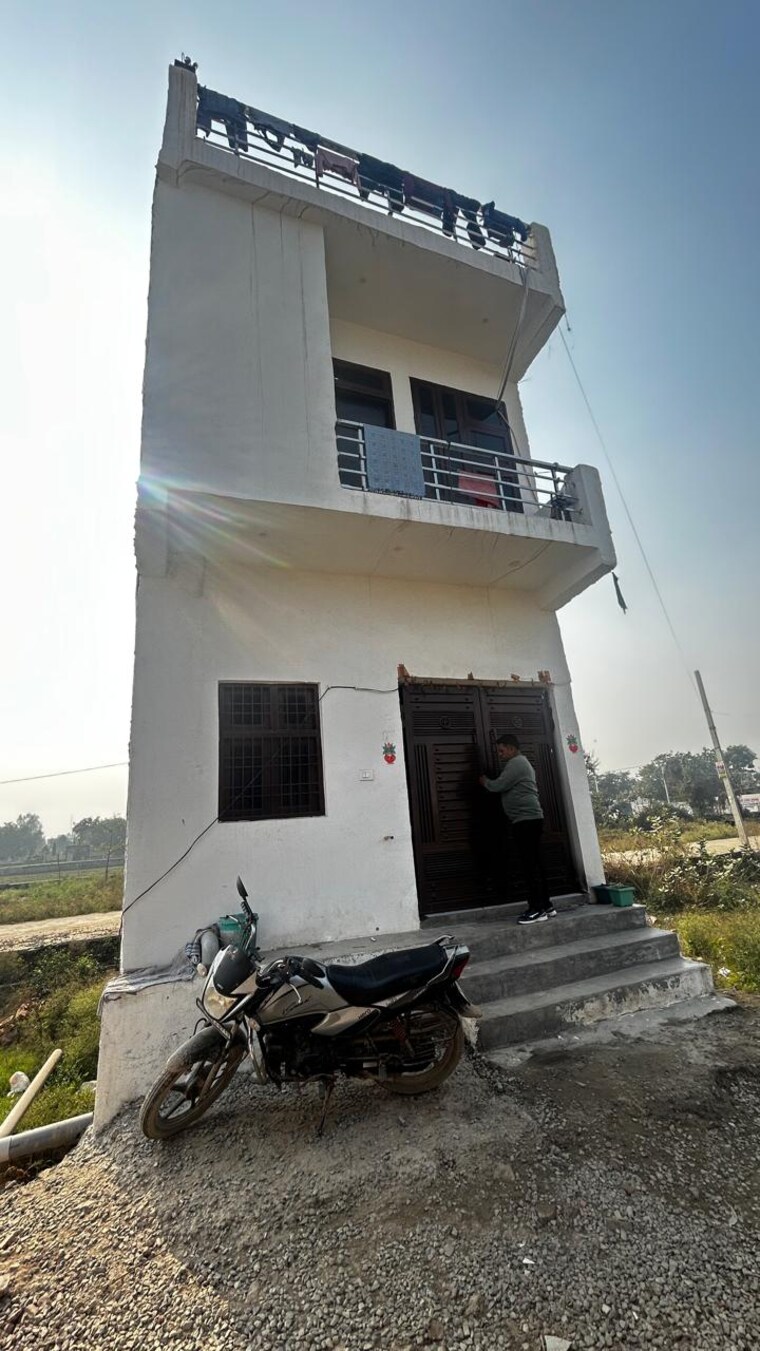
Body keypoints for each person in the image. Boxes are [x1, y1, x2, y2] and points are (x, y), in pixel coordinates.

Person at [478, 734, 556, 924]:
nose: (499, 754)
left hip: (525, 821)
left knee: (530, 866)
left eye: (501, 750)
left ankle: (537, 910)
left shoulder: (516, 763)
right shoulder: (521, 763)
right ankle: (546, 905)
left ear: (512, 748)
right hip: (530, 820)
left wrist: (485, 782)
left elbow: (498, 785)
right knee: (536, 864)